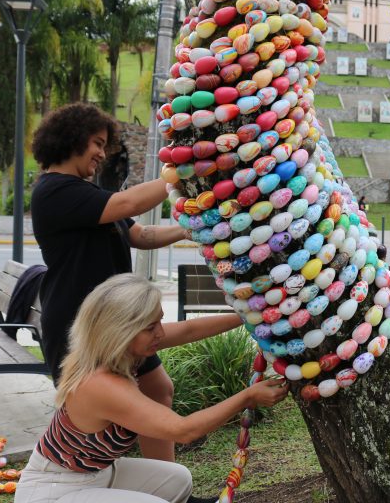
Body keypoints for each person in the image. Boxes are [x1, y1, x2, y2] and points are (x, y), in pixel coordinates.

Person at [15, 274, 289, 503]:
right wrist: (249, 395)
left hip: (99, 475)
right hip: (54, 491)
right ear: (120, 331)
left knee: (178, 479)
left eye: (159, 320)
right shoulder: (100, 384)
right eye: (151, 326)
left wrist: (248, 317)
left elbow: (189, 330)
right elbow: (184, 430)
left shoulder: (121, 351)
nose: (160, 331)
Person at [30, 103, 190, 461]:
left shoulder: (86, 195)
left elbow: (142, 235)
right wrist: (182, 169)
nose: (102, 154)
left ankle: (168, 487)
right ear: (72, 139)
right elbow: (128, 202)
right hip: (79, 324)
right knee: (92, 423)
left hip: (115, 323)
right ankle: (79, 485)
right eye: (97, 143)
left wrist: (192, 228)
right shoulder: (55, 191)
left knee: (158, 391)